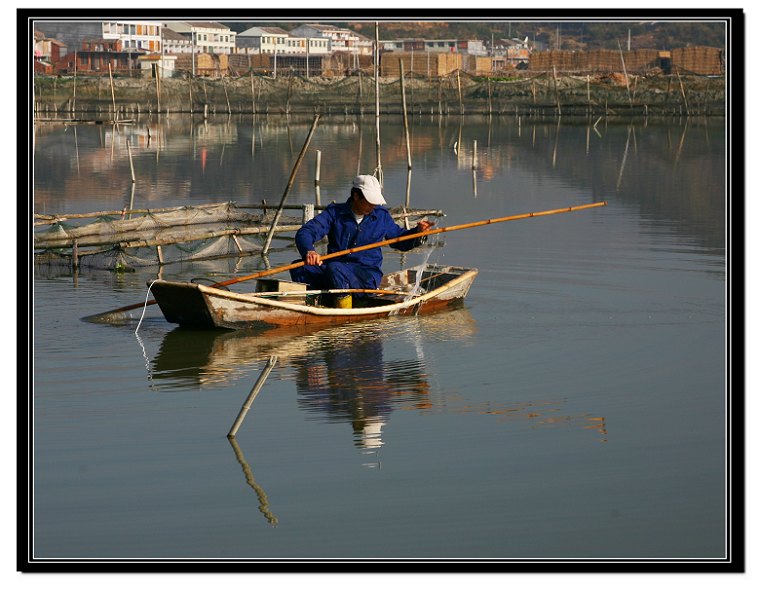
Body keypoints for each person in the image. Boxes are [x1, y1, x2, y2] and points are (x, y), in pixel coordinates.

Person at [290, 174, 434, 306]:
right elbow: (307, 232)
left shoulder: (381, 216)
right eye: (369, 202)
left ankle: (343, 311)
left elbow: (400, 241)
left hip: (365, 276)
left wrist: (418, 233)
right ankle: (317, 302)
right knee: (299, 267)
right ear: (356, 196)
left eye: (375, 203)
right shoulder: (335, 213)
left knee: (335, 269)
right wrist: (309, 251)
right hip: (333, 271)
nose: (373, 206)